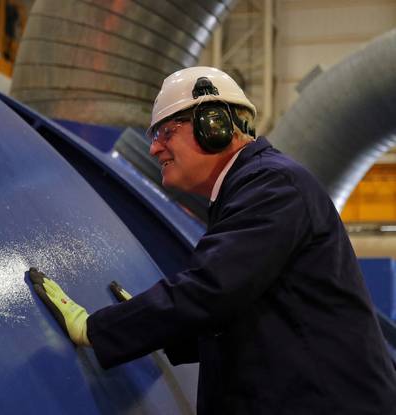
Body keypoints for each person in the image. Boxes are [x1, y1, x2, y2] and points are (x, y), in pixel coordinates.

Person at [27, 66, 396, 414]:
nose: (154, 149)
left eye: (165, 132)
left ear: (214, 124)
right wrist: (154, 329)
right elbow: (244, 316)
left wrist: (98, 328)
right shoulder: (249, 191)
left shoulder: (273, 186)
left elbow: (212, 290)